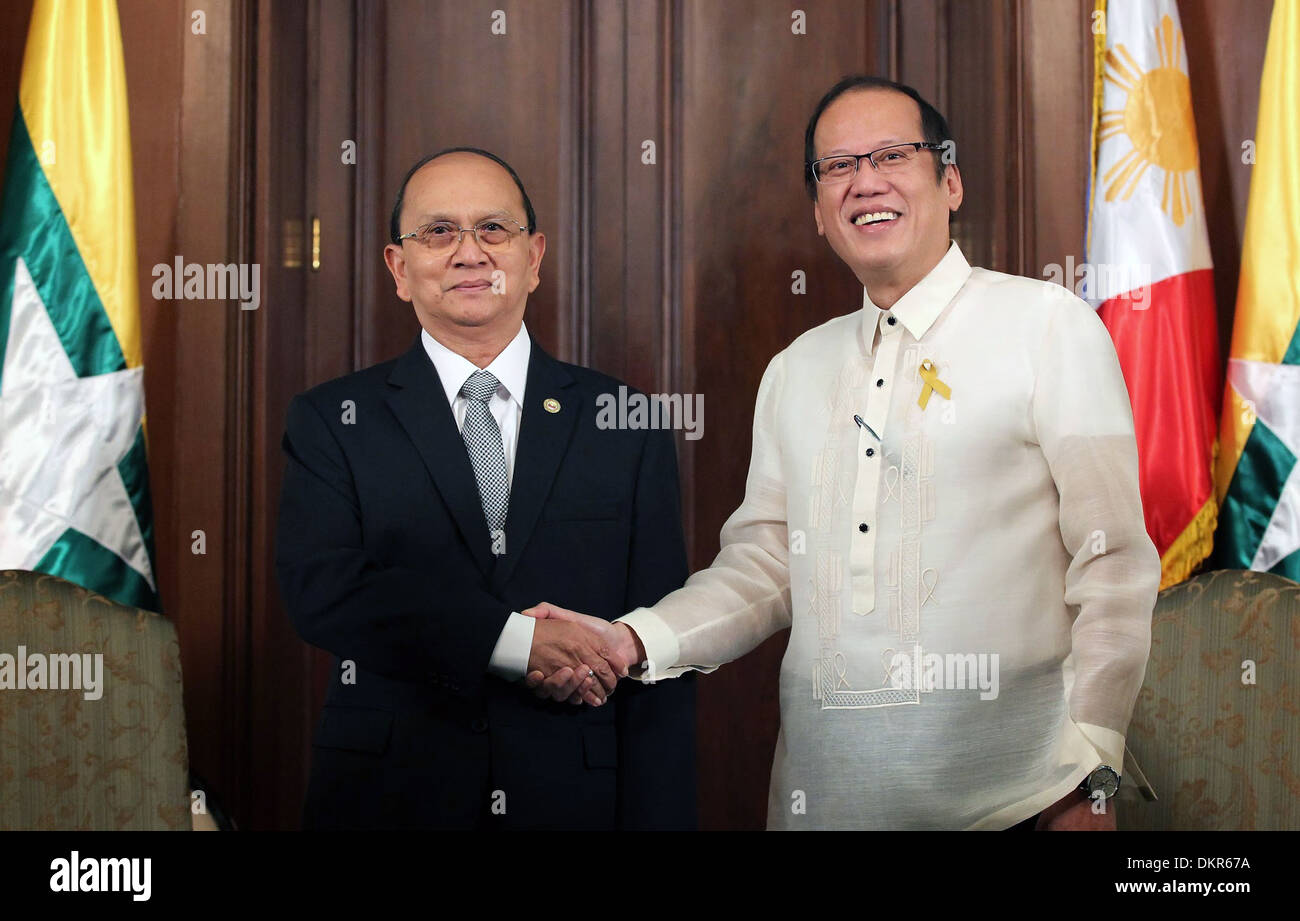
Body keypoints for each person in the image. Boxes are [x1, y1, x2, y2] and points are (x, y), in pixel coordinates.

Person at [525, 77, 1159, 830]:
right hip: (823, 803)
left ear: (949, 180)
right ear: (820, 214)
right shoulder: (796, 368)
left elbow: (1114, 562)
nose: (865, 181)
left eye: (892, 154)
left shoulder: (1049, 325)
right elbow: (765, 566)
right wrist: (631, 638)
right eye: (837, 167)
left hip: (1023, 801)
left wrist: (1091, 772)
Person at [275, 147, 695, 830]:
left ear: (534, 256)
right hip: (391, 797)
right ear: (398, 268)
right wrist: (510, 639)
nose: (469, 253)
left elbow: (657, 647)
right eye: (439, 232)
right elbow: (324, 591)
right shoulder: (333, 419)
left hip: (575, 800)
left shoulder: (627, 421)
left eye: (493, 230)